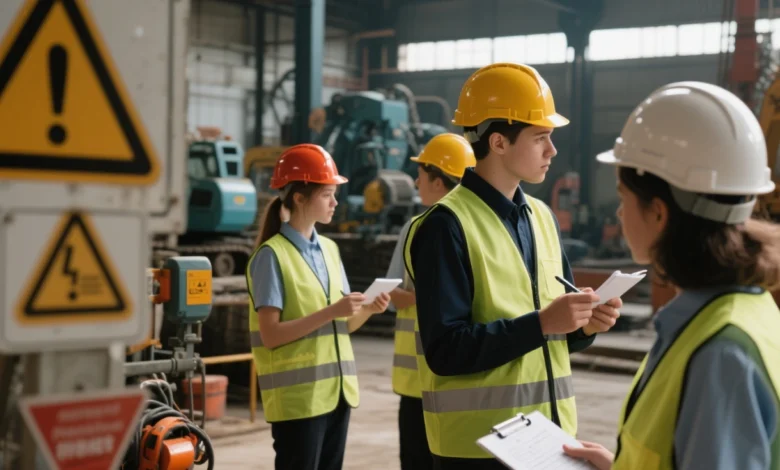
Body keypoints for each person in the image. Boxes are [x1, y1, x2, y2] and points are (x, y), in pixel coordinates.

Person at [402, 62, 623, 469]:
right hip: (478, 449)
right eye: (541, 137)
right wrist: (542, 322)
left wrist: (586, 324)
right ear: (499, 142)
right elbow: (445, 351)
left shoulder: (541, 216)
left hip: (548, 437)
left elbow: (557, 332)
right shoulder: (444, 227)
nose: (552, 151)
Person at [562, 81, 780, 469]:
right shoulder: (749, 310)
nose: (618, 214)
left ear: (659, 213)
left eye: (622, 197)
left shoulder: (719, 355)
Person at [246, 143, 391, 470]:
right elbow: (270, 335)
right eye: (327, 195)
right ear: (299, 198)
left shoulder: (329, 249)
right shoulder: (271, 256)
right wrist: (331, 311)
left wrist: (368, 309)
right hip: (298, 403)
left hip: (336, 395)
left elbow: (342, 325)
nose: (335, 203)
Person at [386, 133, 477, 470]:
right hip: (465, 377)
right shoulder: (483, 226)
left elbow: (394, 295)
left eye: (421, 175)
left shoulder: (416, 228)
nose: (415, 181)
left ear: (438, 181)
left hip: (421, 381)